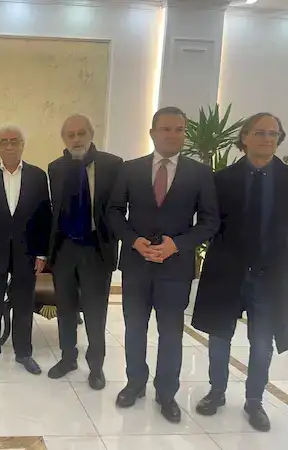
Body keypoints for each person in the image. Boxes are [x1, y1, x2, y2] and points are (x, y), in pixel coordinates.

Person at [107, 106, 219, 423]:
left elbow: (209, 221)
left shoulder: (200, 173)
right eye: (166, 129)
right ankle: (135, 383)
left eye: (179, 129)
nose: (173, 135)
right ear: (153, 132)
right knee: (134, 329)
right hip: (136, 264)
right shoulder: (130, 169)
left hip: (175, 268)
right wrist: (133, 240)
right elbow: (113, 212)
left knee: (171, 333)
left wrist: (176, 244)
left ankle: (167, 393)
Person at [192, 113, 288, 432]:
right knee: (220, 336)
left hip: (269, 276)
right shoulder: (221, 179)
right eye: (260, 132)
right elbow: (209, 223)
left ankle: (254, 401)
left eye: (274, 133)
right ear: (244, 137)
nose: (267, 138)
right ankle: (216, 392)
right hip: (227, 271)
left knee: (262, 343)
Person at [46, 114, 122, 390]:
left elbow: (118, 208)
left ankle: (96, 367)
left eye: (81, 133)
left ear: (91, 134)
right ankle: (68, 358)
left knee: (95, 312)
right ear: (64, 139)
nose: (76, 139)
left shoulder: (113, 165)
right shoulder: (55, 168)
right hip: (64, 248)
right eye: (70, 134)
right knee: (65, 309)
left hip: (95, 248)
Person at [0, 125, 51, 375]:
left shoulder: (38, 177)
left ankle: (24, 353)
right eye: (4, 142)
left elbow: (44, 218)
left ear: (22, 145)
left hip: (27, 254)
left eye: (14, 141)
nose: (9, 146)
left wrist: (42, 253)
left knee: (24, 305)